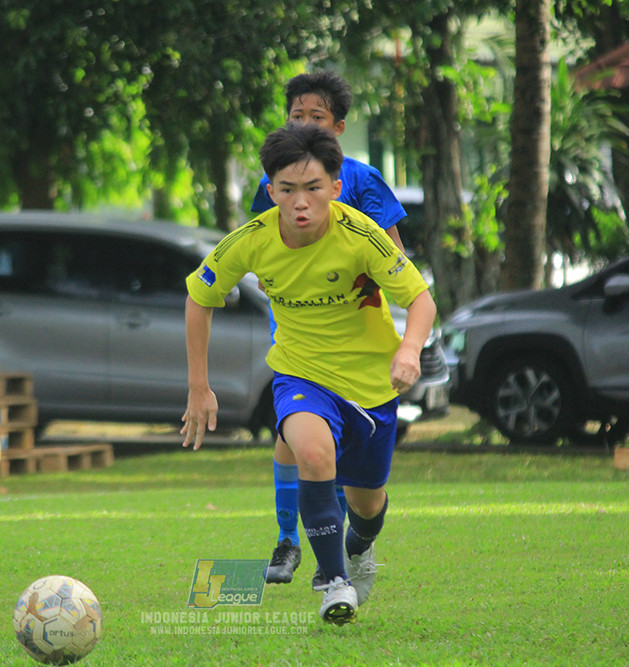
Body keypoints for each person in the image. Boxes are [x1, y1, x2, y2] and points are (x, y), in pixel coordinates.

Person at [182, 123, 437, 624]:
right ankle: (333, 580)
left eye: (313, 188)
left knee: (367, 505)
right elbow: (199, 297)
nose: (301, 202)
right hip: (300, 375)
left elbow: (421, 299)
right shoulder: (251, 240)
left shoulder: (362, 235)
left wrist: (409, 350)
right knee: (313, 453)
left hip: (370, 385)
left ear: (336, 188)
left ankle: (359, 549)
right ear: (270, 190)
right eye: (288, 190)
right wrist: (199, 385)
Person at [250, 71, 409, 587]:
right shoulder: (272, 178)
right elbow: (261, 243)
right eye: (296, 115)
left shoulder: (360, 179)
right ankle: (290, 542)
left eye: (314, 117)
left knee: (336, 456)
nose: (303, 124)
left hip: (355, 333)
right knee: (294, 438)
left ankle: (349, 538)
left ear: (337, 127)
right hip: (297, 332)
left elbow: (394, 253)